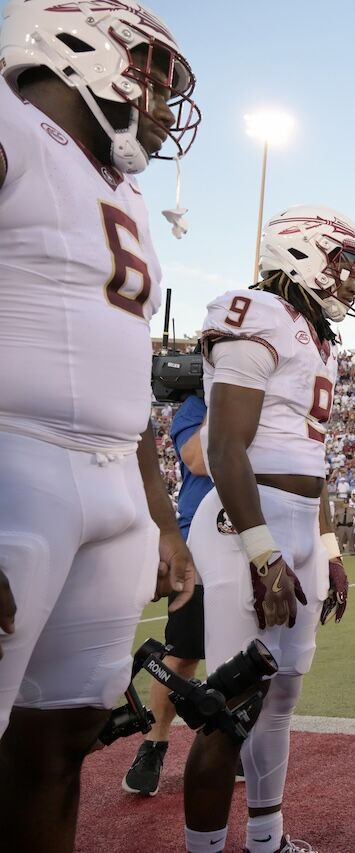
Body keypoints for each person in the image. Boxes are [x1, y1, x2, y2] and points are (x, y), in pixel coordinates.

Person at [0, 3, 198, 849]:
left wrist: (158, 517)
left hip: (112, 476)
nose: (160, 103)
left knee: (61, 741)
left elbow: (125, 373)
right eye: (152, 72)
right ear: (78, 45)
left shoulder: (124, 192)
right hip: (16, 462)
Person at [182, 205, 355, 853]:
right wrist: (264, 554)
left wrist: (327, 546)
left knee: (282, 696)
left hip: (296, 523)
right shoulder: (252, 310)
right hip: (246, 519)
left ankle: (267, 838)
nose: (350, 282)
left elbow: (310, 459)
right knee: (229, 707)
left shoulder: (316, 337)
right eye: (343, 264)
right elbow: (226, 446)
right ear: (299, 252)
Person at [122, 392, 217, 797]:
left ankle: (230, 742)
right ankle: (154, 743)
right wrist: (231, 404)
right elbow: (197, 458)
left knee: (248, 653)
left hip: (253, 533)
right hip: (201, 534)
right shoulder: (198, 404)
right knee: (182, 653)